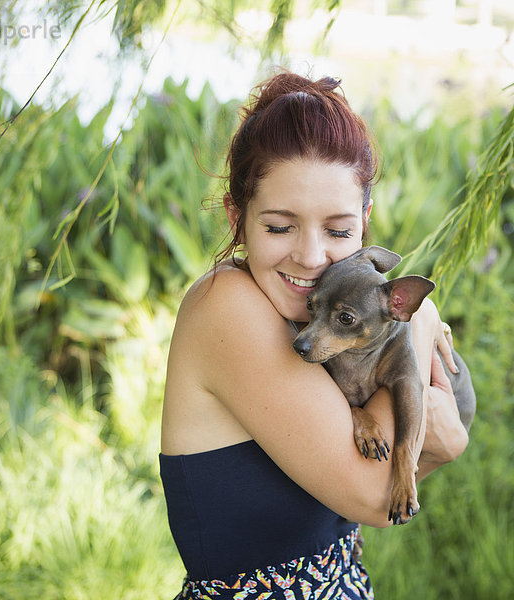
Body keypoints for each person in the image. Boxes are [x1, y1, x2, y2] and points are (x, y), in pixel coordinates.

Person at [159, 70, 469, 599]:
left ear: (365, 222)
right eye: (279, 227)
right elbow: (375, 498)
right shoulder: (228, 309)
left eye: (338, 230)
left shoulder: (317, 317)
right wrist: (415, 318)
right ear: (238, 216)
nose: (310, 257)